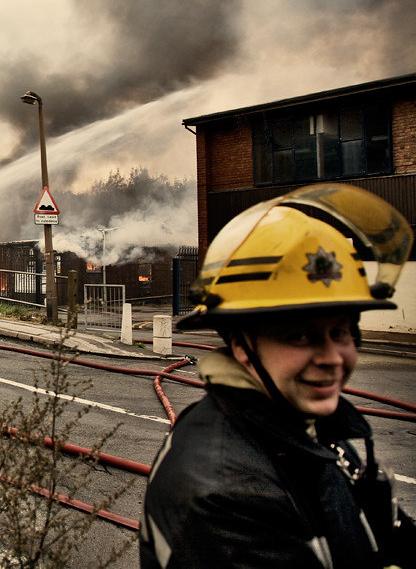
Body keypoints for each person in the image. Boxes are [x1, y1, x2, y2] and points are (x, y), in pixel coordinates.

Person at [141, 184, 414, 569]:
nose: (332, 359)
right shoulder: (224, 497)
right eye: (300, 336)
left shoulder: (308, 426)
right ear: (241, 344)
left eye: (341, 332)